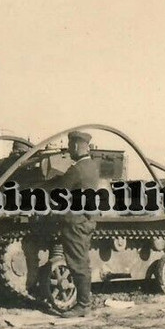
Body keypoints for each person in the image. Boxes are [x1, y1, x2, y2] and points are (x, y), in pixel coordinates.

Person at [50, 130, 101, 316]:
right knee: (82, 262)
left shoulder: (76, 169)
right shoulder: (92, 166)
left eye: (70, 145)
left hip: (75, 221)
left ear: (77, 146)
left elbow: (60, 192)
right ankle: (84, 303)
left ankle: (83, 305)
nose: (68, 148)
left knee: (77, 264)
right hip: (85, 220)